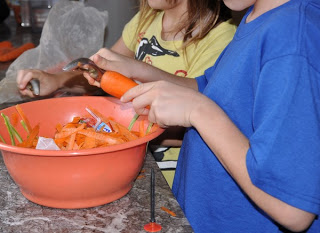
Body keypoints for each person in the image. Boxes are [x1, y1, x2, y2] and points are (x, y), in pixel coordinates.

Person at [82, 0, 320, 232]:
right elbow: (212, 88)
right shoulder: (259, 15)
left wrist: (199, 110)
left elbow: (292, 210)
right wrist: (138, 70)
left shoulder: (292, 38)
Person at [17, 0, 237, 188]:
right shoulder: (146, 20)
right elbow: (99, 75)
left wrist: (123, 139)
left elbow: (204, 113)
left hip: (170, 178)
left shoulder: (222, 38)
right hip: (126, 161)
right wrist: (55, 81)